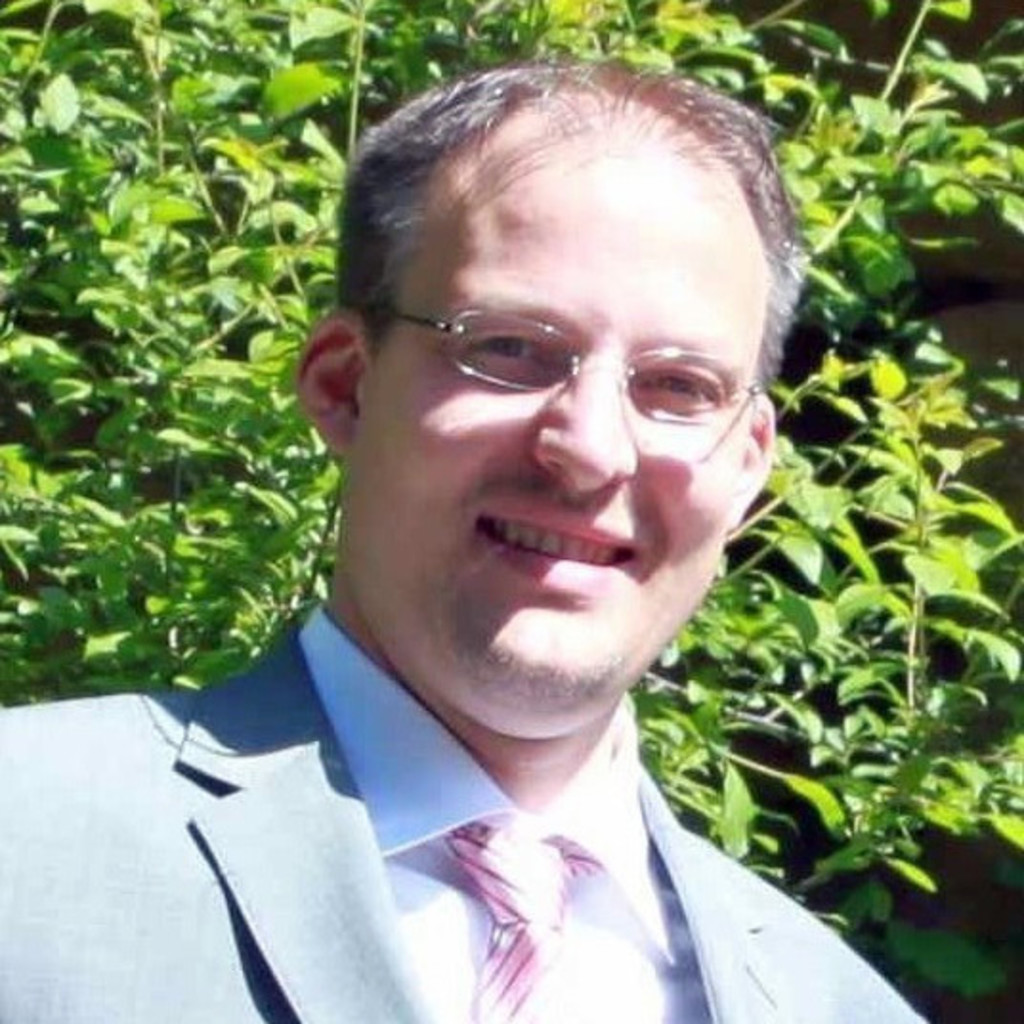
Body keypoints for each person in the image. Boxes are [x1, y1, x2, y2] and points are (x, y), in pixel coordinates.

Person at [0, 61, 923, 1023]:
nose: (590, 449)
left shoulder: (840, 1007)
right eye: (510, 349)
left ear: (747, 463)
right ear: (344, 384)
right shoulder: (22, 844)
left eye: (679, 387)